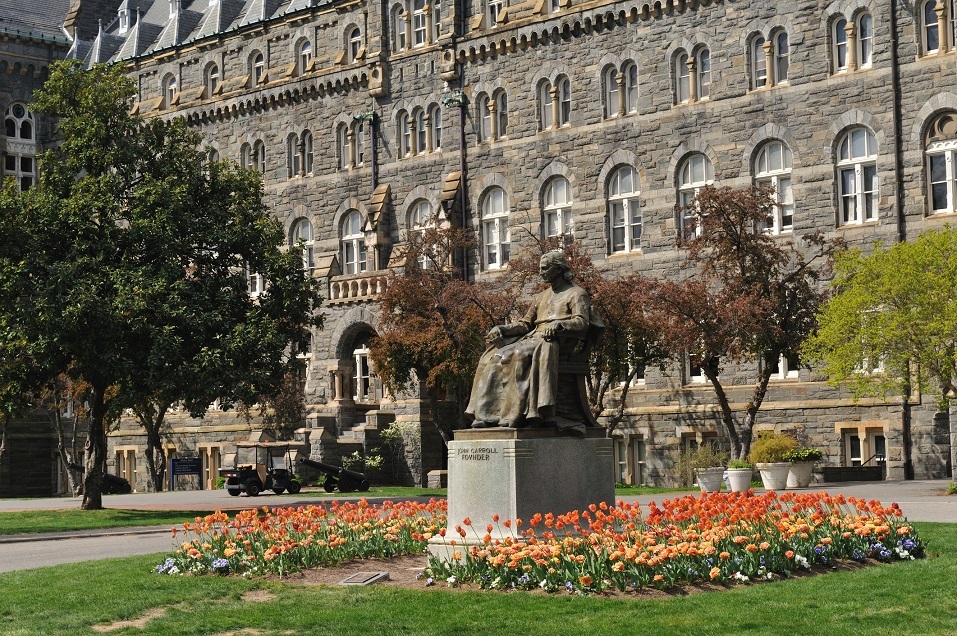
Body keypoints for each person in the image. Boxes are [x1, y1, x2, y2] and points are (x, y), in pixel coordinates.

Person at [465, 250, 599, 435]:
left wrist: (559, 324)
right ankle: (488, 415)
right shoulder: (541, 296)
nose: (541, 272)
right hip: (533, 338)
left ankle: (515, 415)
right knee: (494, 356)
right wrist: (503, 329)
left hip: (555, 341)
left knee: (519, 355)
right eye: (540, 268)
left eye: (545, 268)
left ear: (558, 269)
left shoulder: (576, 294)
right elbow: (525, 323)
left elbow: (581, 322)